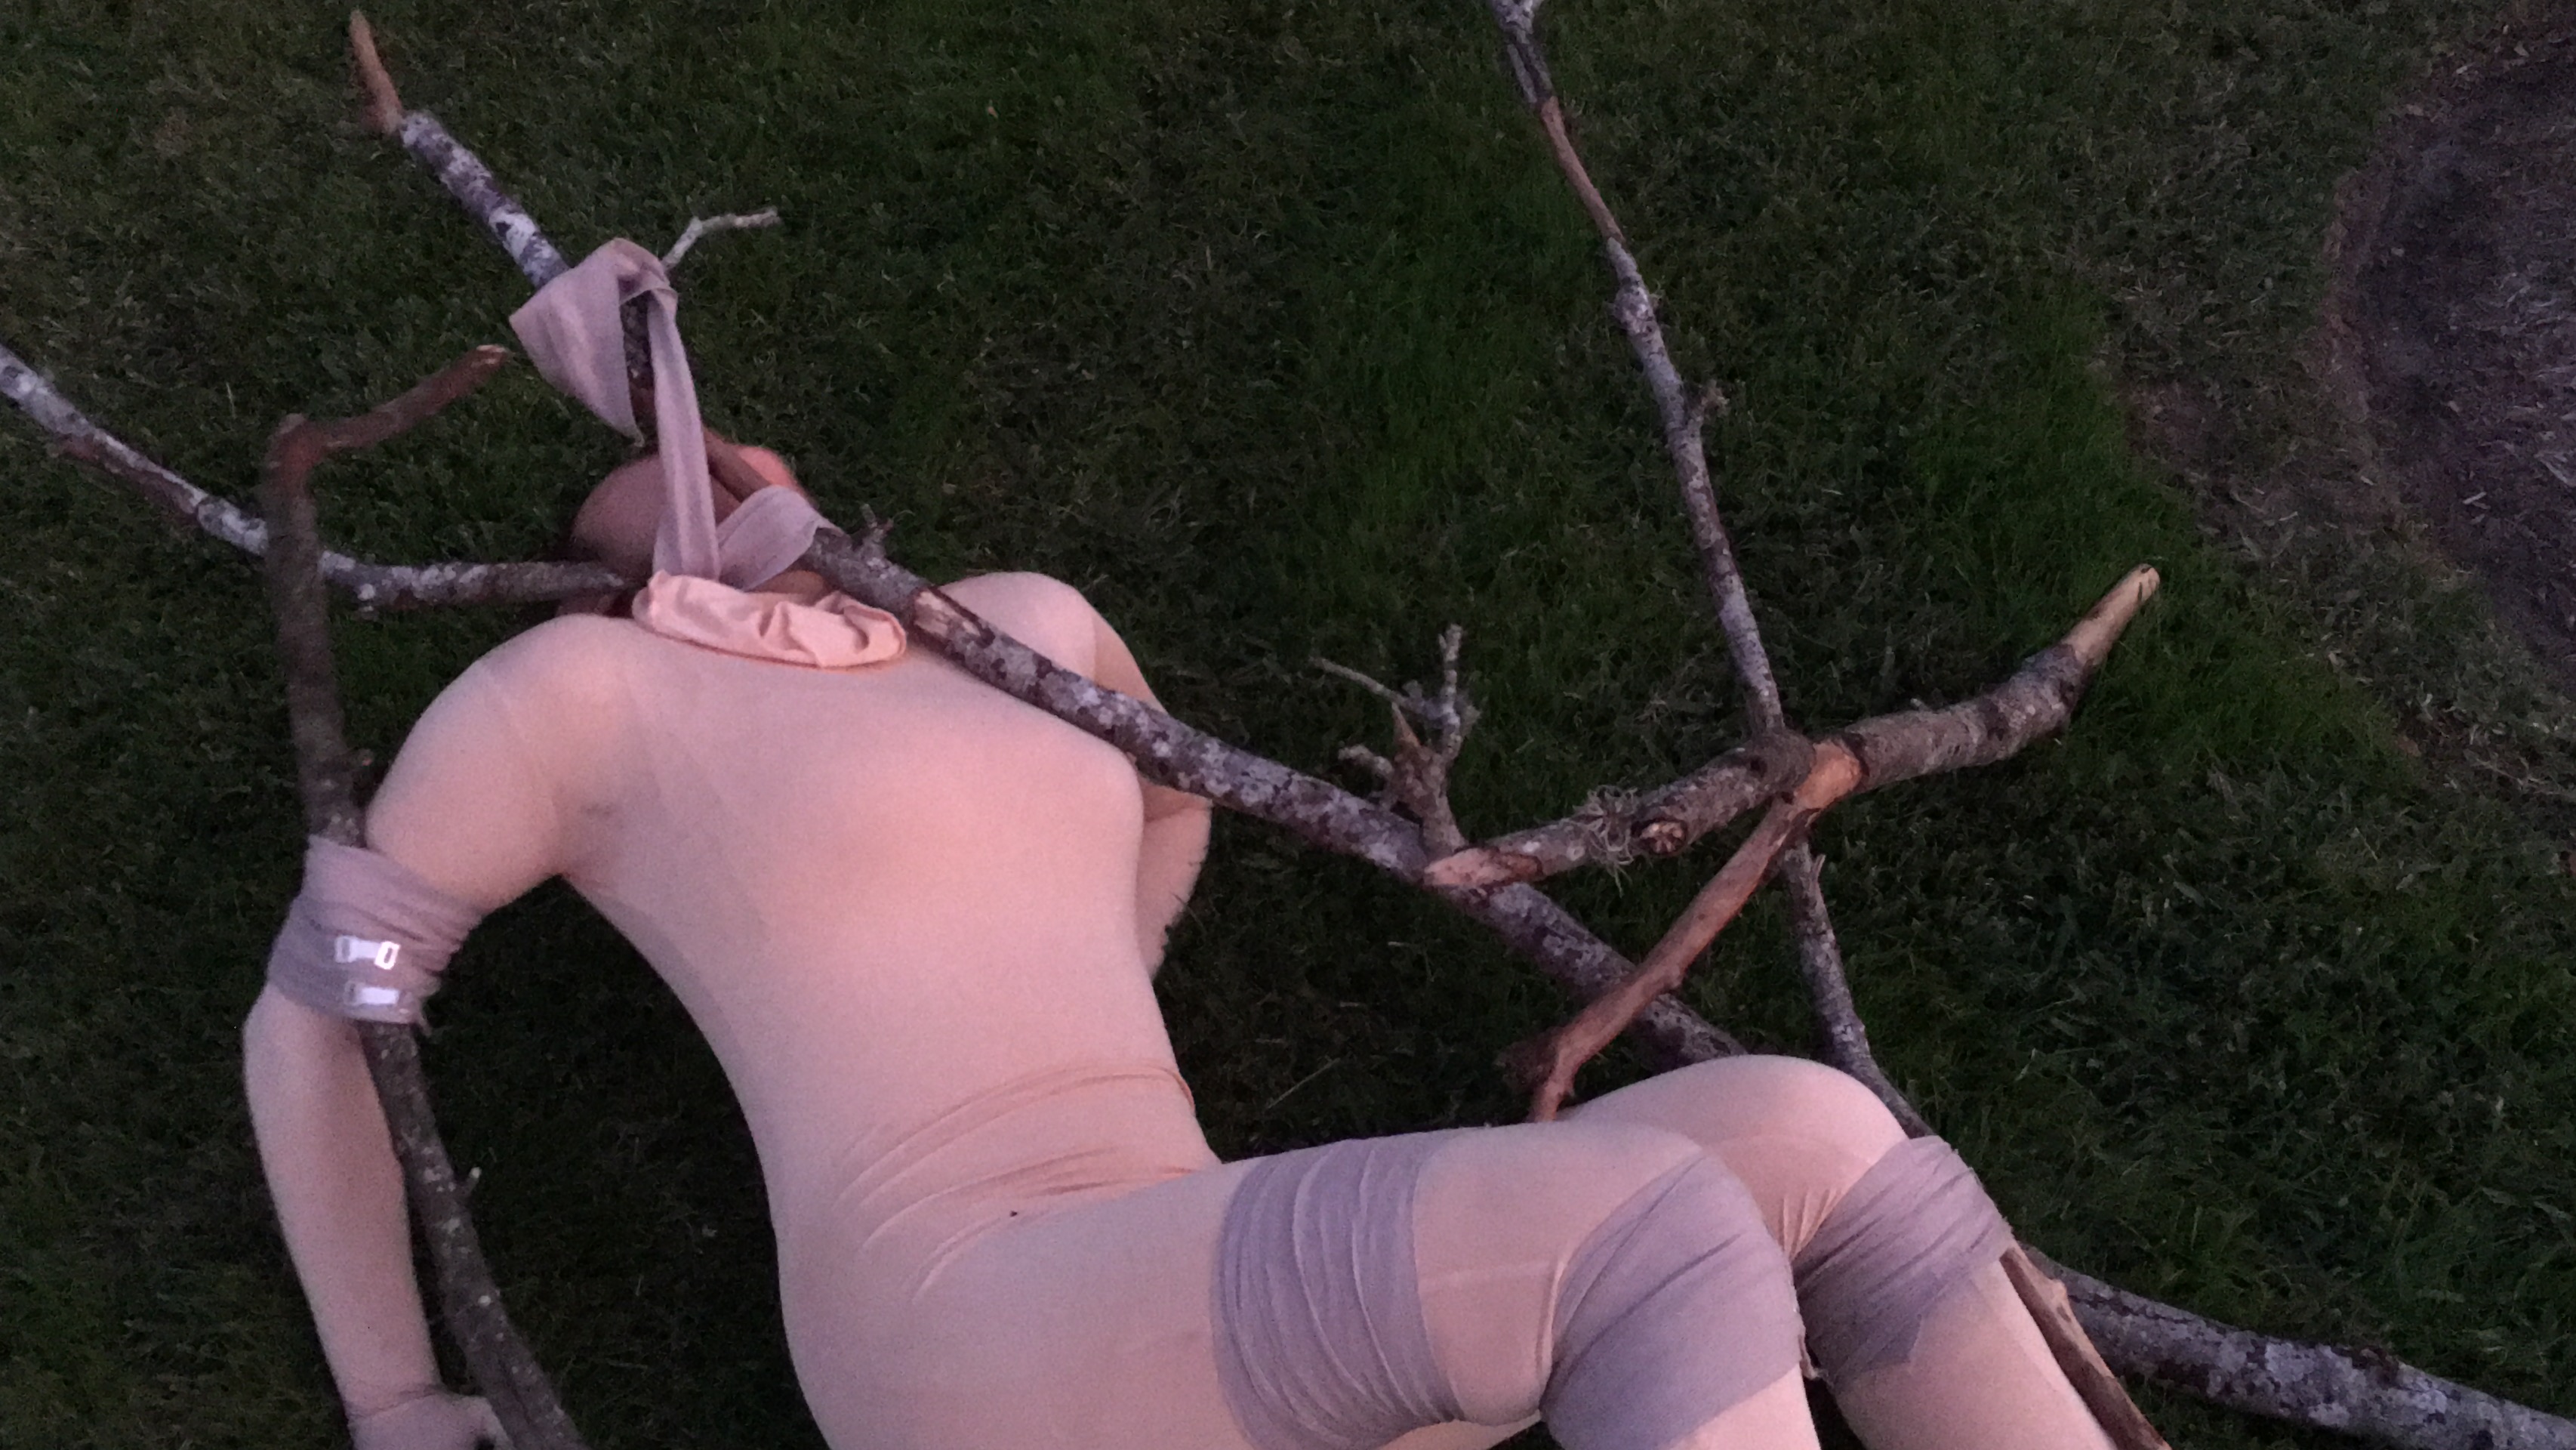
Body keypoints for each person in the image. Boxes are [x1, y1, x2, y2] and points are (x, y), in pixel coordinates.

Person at [243, 240, 2118, 1450]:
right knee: (1643, 1235)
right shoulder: (582, 698)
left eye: (738, 466)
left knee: (1811, 1134)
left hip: (1187, 1283)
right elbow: (320, 1017)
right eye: (644, 511)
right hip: (970, 1331)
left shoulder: (1023, 629)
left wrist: (1104, 970)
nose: (711, 489)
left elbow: (1169, 790)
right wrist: (396, 1400)